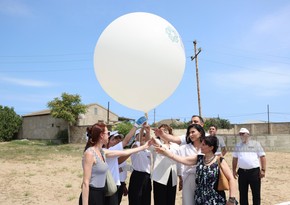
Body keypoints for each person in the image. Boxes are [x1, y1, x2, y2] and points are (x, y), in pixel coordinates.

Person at [79, 122, 150, 205]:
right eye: (107, 133)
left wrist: (144, 147)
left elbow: (124, 153)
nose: (108, 136)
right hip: (92, 194)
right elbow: (85, 183)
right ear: (101, 135)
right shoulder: (90, 153)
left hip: (101, 193)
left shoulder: (102, 151)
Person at [156, 135, 238, 205]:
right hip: (199, 199)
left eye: (203, 144)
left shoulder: (220, 160)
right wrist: (166, 153)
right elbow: (181, 159)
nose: (201, 146)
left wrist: (232, 199)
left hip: (215, 199)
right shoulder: (199, 158)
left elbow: (231, 179)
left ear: (211, 147)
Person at [104, 116, 147, 205]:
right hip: (110, 184)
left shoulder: (117, 151)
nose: (117, 141)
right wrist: (136, 125)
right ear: (107, 141)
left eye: (119, 138)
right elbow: (126, 142)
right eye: (114, 139)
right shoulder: (109, 151)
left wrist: (123, 185)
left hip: (118, 183)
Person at [232, 128, 266, 205]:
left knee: (256, 193)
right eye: (240, 134)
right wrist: (234, 170)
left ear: (248, 135)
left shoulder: (256, 144)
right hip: (242, 172)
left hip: (254, 172)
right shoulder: (237, 146)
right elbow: (235, 158)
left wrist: (263, 170)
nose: (241, 135)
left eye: (243, 133)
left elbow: (262, 156)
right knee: (242, 193)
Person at [150, 124, 180, 205]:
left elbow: (179, 161)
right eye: (161, 131)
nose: (163, 132)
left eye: (165, 131)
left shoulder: (176, 145)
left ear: (169, 133)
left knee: (170, 200)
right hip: (159, 177)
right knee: (160, 200)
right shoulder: (156, 142)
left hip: (172, 176)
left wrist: (180, 176)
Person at [177, 124, 205, 205]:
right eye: (189, 133)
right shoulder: (184, 148)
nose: (191, 135)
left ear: (200, 133)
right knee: (188, 201)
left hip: (204, 179)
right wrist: (181, 178)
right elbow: (180, 164)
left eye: (193, 132)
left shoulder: (206, 146)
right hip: (189, 178)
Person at [128, 125, 152, 205]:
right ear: (136, 137)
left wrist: (148, 131)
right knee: (136, 200)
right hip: (137, 176)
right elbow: (139, 142)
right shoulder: (135, 146)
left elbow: (148, 141)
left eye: (144, 135)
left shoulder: (148, 150)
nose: (143, 137)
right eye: (141, 135)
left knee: (146, 201)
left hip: (147, 177)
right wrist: (142, 128)